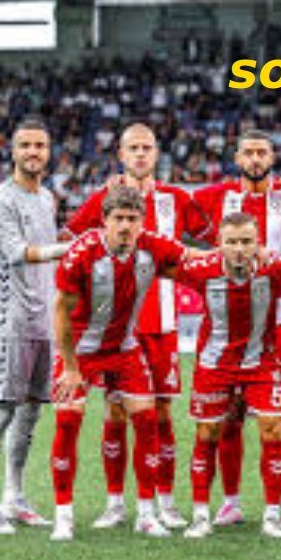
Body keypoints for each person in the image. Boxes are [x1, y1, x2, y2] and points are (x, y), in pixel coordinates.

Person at [63, 122, 211, 530]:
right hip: (114, 327)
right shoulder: (103, 199)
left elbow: (209, 241)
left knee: (160, 413)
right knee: (115, 412)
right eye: (134, 148)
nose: (141, 154)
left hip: (161, 324)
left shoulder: (177, 199)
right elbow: (69, 241)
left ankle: (165, 502)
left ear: (157, 153)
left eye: (147, 147)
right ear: (121, 154)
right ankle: (115, 503)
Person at [49, 185, 196, 541]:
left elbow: (194, 258)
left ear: (142, 221)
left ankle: (146, 513)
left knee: (147, 421)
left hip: (125, 347)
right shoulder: (82, 253)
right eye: (119, 219)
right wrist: (70, 367)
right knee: (68, 423)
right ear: (104, 221)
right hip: (81, 350)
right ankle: (63, 515)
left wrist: (238, 252)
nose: (126, 226)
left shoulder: (152, 246)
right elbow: (61, 312)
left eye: (133, 219)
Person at [193, 130, 281, 526]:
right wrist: (127, 184)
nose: (254, 159)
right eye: (247, 152)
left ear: (272, 156)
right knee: (228, 416)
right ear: (236, 157)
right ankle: (230, 501)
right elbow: (167, 208)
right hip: (229, 323)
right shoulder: (214, 197)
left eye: (261, 152)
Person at [177, 212, 281, 540]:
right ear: (219, 244)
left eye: (246, 242)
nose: (239, 249)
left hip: (262, 363)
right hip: (214, 365)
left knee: (273, 429)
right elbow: (162, 261)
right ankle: (200, 515)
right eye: (231, 242)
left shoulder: (275, 268)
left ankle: (273, 515)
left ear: (258, 243)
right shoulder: (200, 270)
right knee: (208, 433)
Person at [0, 118, 71, 534]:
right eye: (26, 145)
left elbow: (47, 248)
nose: (33, 152)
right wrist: (69, 248)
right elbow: (17, 253)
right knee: (0, 411)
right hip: (11, 320)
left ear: (49, 152)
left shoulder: (47, 198)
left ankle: (14, 497)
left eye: (40, 145)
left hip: (42, 320)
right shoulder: (1, 199)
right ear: (13, 151)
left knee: (30, 414)